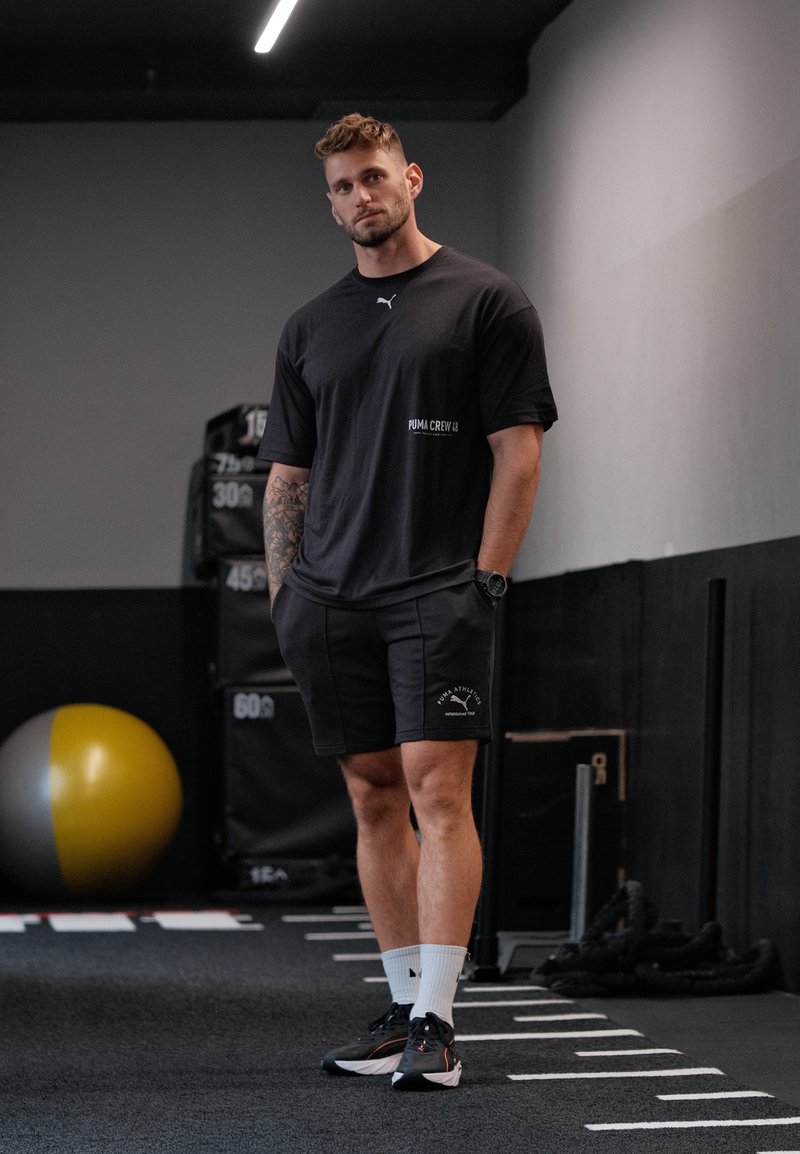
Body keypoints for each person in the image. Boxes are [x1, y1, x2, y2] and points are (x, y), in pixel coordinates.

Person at [257, 113, 557, 1091]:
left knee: (436, 789)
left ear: (412, 178)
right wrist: (284, 595)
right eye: (341, 186)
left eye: (372, 178)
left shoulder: (485, 300)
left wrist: (488, 577)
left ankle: (437, 1018)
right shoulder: (310, 324)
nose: (358, 198)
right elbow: (285, 476)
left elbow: (517, 448)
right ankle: (397, 1008)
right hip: (329, 596)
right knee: (372, 793)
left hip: (435, 588)